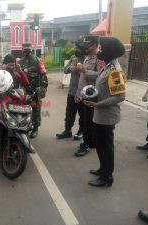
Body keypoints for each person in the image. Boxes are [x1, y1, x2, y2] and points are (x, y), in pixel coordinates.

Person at [84, 37, 126, 187]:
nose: (100, 51)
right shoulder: (108, 66)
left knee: (106, 147)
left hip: (107, 116)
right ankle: (103, 169)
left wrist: (98, 104)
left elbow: (120, 96)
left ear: (109, 52)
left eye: (102, 49)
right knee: (101, 145)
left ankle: (107, 177)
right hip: (100, 114)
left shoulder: (115, 71)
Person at [74, 36, 103, 157]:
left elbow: (101, 75)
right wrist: (78, 93)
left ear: (96, 45)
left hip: (93, 95)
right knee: (87, 121)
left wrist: (84, 71)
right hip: (84, 94)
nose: (86, 46)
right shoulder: (87, 57)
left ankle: (85, 145)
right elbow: (82, 79)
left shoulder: (99, 59)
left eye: (89, 44)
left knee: (89, 122)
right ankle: (91, 142)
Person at [56, 41, 85, 140]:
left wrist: (79, 69)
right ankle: (67, 131)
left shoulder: (87, 59)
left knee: (83, 114)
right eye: (76, 48)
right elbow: (65, 70)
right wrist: (70, 67)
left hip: (83, 92)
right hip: (72, 91)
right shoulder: (73, 57)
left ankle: (81, 132)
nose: (77, 50)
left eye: (79, 49)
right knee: (69, 112)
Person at [20, 43, 48, 138]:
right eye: (25, 50)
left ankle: (35, 128)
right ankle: (28, 124)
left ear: (31, 50)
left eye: (28, 50)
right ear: (23, 51)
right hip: (25, 90)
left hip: (36, 90)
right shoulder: (20, 62)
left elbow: (43, 75)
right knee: (25, 109)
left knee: (36, 109)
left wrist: (43, 89)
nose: (27, 52)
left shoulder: (38, 60)